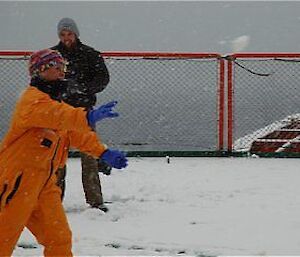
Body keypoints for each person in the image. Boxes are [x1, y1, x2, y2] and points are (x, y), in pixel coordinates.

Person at [0, 49, 128, 256]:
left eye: (63, 67)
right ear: (40, 71)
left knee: (59, 239)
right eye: (56, 67)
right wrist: (87, 116)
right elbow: (58, 116)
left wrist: (103, 152)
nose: (62, 71)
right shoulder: (31, 100)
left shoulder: (56, 103)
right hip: (16, 181)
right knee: (3, 240)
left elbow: (73, 133)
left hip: (44, 185)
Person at [51, 17, 111, 212]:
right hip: (59, 114)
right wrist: (60, 92)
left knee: (90, 155)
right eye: (63, 34)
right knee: (57, 159)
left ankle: (95, 201)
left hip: (84, 113)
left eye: (69, 33)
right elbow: (41, 80)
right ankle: (53, 200)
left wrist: (83, 89)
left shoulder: (90, 55)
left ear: (76, 34)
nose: (66, 37)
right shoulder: (52, 55)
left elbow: (103, 79)